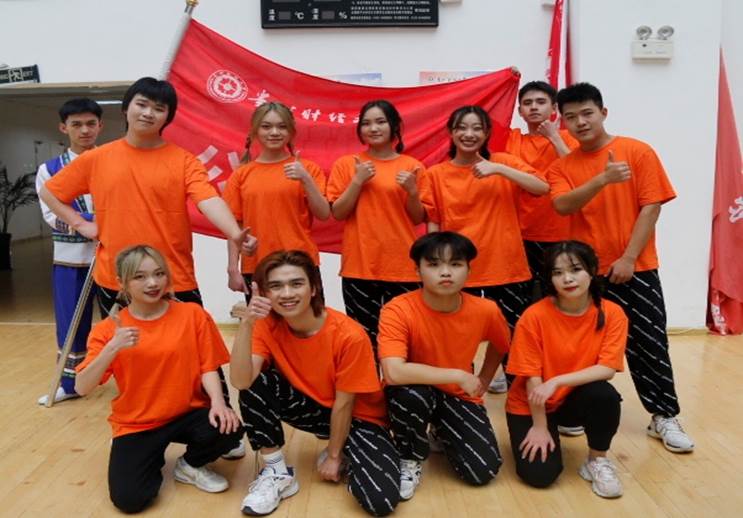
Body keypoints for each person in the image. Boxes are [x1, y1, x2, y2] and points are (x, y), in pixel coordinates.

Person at [548, 82, 694, 453]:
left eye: (587, 113)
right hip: (584, 275)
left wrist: (628, 257)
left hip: (636, 266)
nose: (581, 122)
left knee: (648, 343)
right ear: (563, 123)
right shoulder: (562, 166)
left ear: (603, 113)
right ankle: (574, 409)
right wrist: (603, 179)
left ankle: (664, 415)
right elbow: (563, 206)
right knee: (579, 346)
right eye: (571, 117)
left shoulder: (637, 151)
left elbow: (651, 206)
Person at [38, 76, 257, 314]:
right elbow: (50, 192)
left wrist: (234, 233)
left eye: (159, 108)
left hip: (173, 276)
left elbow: (208, 200)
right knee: (121, 339)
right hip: (117, 277)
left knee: (187, 337)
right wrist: (81, 224)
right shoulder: (96, 159)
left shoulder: (184, 161)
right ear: (126, 108)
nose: (148, 113)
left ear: (168, 117)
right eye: (141, 104)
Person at [230, 250, 400, 517]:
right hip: (315, 410)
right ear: (264, 293)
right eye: (276, 286)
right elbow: (241, 381)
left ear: (314, 288)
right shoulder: (265, 326)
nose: (287, 294)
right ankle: (276, 472)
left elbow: (345, 403)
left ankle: (348, 451)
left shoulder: (349, 335)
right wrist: (247, 324)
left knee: (379, 501)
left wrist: (333, 456)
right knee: (257, 383)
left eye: (296, 283)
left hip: (360, 417)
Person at [74, 245, 242, 513]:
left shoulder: (192, 314)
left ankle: (189, 466)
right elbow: (82, 387)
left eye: (159, 274)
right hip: (138, 423)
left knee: (228, 427)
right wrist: (112, 348)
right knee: (130, 501)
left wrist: (219, 404)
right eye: (140, 277)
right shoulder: (108, 330)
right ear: (122, 283)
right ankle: (140, 453)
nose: (152, 283)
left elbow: (207, 367)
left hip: (186, 413)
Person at [419, 105, 548, 393]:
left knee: (511, 335)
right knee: (455, 338)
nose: (469, 134)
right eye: (462, 128)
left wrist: (498, 168)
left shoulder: (503, 163)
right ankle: (458, 395)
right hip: (458, 270)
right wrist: (434, 267)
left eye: (477, 128)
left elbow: (542, 187)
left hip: (505, 266)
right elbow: (433, 223)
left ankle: (511, 395)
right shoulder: (436, 174)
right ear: (451, 133)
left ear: (487, 133)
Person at [378, 231, 510, 501]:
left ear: (469, 270)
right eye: (434, 264)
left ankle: (440, 430)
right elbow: (393, 372)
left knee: (482, 471)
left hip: (457, 395)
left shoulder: (486, 310)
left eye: (456, 264)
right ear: (417, 270)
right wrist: (458, 375)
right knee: (411, 395)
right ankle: (409, 456)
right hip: (412, 392)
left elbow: (502, 344)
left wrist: (484, 379)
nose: (446, 272)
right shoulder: (398, 309)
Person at [505, 240, 628, 499]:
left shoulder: (613, 313)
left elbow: (607, 368)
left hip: (572, 398)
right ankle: (546, 429)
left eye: (575, 270)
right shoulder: (534, 316)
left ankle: (597, 460)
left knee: (604, 395)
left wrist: (557, 381)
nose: (567, 279)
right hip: (531, 404)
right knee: (540, 476)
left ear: (592, 271)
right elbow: (532, 378)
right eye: (558, 272)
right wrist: (539, 426)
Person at [326, 100, 425, 350]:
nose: (373, 128)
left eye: (380, 122)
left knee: (402, 340)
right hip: (359, 266)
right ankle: (370, 378)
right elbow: (338, 212)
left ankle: (396, 378)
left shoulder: (411, 166)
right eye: (366, 123)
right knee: (363, 340)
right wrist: (358, 181)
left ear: (394, 126)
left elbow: (417, 218)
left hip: (403, 266)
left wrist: (412, 192)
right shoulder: (347, 164)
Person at [223, 101, 329, 299]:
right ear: (255, 131)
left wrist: (305, 179)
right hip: (257, 265)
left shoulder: (307, 169)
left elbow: (323, 213)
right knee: (262, 320)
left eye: (282, 127)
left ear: (291, 132)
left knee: (308, 319)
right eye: (266, 126)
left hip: (301, 264)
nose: (274, 132)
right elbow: (234, 226)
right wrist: (232, 268)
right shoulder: (242, 174)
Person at [35, 98, 103, 405]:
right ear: (64, 128)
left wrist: (99, 222)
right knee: (71, 323)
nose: (84, 130)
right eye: (77, 124)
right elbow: (52, 216)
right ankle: (70, 383)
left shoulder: (114, 161)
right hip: (70, 259)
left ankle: (132, 380)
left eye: (90, 124)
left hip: (115, 258)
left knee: (128, 320)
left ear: (100, 126)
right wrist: (95, 222)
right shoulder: (48, 170)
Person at [505, 81, 578, 295]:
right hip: (519, 233)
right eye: (527, 103)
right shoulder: (512, 138)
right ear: (520, 111)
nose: (534, 107)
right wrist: (507, 81)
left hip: (561, 231)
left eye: (540, 102)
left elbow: (578, 173)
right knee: (521, 296)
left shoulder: (569, 137)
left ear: (554, 108)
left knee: (559, 294)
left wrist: (554, 136)